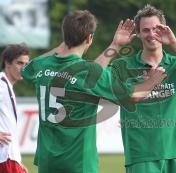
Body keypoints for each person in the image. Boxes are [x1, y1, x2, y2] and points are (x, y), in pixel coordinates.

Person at [21, 10, 167, 173]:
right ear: (89, 38)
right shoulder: (86, 72)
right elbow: (132, 96)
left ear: (65, 34)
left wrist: (115, 46)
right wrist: (152, 81)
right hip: (78, 164)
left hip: (47, 162)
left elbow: (27, 69)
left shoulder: (41, 66)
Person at [106, 4, 176, 173]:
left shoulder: (175, 64)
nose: (151, 34)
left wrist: (174, 42)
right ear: (137, 34)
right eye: (145, 30)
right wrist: (115, 45)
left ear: (164, 30)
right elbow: (104, 85)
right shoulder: (123, 66)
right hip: (142, 154)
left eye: (156, 29)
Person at [0, 43, 30, 173]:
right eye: (19, 63)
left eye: (26, 64)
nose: (24, 68)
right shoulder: (1, 85)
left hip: (10, 158)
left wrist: (19, 162)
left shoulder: (6, 85)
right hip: (6, 159)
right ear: (7, 63)